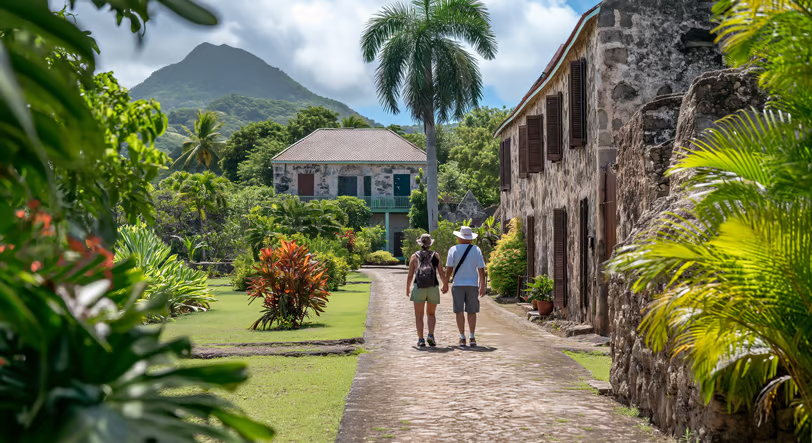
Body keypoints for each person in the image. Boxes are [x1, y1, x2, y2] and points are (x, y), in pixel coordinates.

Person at [442, 226, 486, 347]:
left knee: (459, 311)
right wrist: (482, 285)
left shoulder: (453, 249)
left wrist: (445, 283)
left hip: (458, 285)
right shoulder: (476, 250)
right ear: (470, 239)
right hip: (473, 284)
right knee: (472, 311)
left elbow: (449, 269)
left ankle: (462, 337)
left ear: (459, 237)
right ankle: (472, 337)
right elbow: (481, 269)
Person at [406, 233, 448, 348]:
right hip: (433, 286)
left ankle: (420, 339)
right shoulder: (436, 255)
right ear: (430, 244)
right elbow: (440, 272)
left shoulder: (414, 256)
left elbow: (410, 275)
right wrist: (445, 284)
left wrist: (408, 288)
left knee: (418, 315)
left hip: (419, 286)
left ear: (420, 243)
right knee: (431, 314)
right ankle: (430, 335)